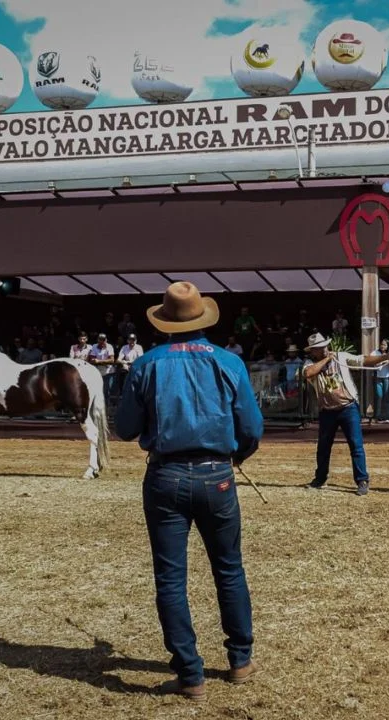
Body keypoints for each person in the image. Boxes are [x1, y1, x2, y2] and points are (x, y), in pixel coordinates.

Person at [115, 281, 264, 701]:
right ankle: (240, 659)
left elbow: (125, 429)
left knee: (171, 579)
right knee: (229, 569)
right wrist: (237, 457)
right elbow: (251, 429)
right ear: (203, 318)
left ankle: (190, 674)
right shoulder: (229, 363)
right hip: (217, 475)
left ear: (165, 322)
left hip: (165, 477)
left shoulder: (147, 364)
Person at [302, 332, 389, 495]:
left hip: (348, 407)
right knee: (323, 447)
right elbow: (308, 373)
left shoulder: (340, 357)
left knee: (356, 446)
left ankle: (362, 480)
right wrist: (327, 359)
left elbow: (361, 360)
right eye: (316, 349)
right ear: (312, 352)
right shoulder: (309, 363)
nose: (321, 349)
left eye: (322, 346)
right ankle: (320, 479)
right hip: (327, 411)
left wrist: (386, 357)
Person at [372, 339, 389, 422]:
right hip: (377, 377)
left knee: (386, 396)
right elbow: (371, 359)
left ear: (387, 346)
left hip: (386, 377)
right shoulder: (375, 352)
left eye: (384, 345)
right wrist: (378, 361)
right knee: (379, 395)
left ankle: (386, 416)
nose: (382, 346)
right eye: (381, 344)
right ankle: (378, 416)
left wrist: (386, 360)